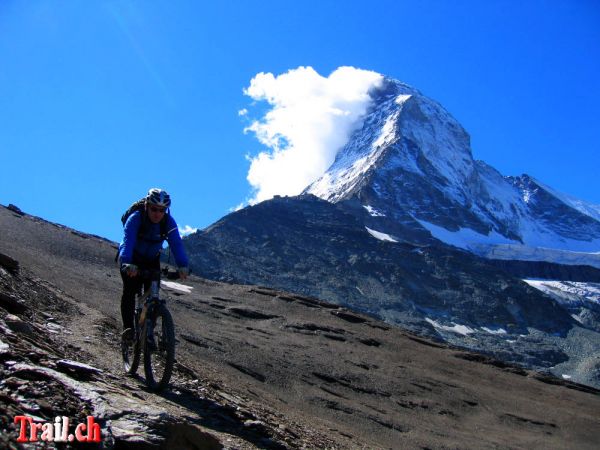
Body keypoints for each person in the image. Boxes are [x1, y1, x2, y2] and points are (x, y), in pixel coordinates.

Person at [118, 188, 189, 343]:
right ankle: (128, 330)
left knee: (153, 297)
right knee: (130, 291)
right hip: (132, 259)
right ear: (147, 206)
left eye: (162, 210)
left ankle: (148, 331)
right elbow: (128, 241)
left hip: (151, 260)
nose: (157, 213)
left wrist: (183, 265)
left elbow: (176, 243)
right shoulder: (136, 218)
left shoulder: (168, 222)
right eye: (154, 209)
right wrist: (127, 262)